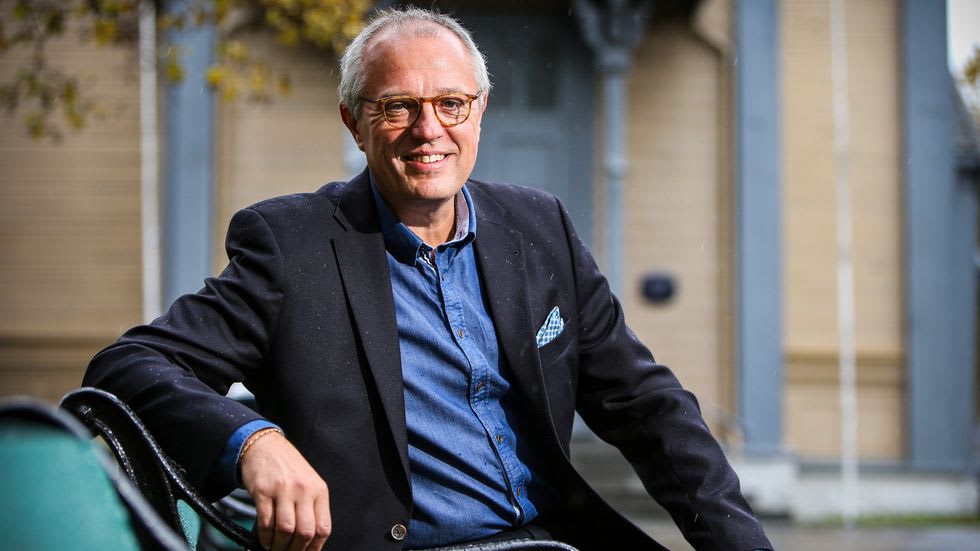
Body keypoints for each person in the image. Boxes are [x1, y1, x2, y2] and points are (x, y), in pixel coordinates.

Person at [84, 7, 773, 551]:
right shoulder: (292, 246)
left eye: (451, 103)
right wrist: (253, 441)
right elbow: (129, 366)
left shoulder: (541, 228)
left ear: (480, 111)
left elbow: (649, 406)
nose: (428, 129)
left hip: (549, 539)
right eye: (398, 106)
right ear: (355, 122)